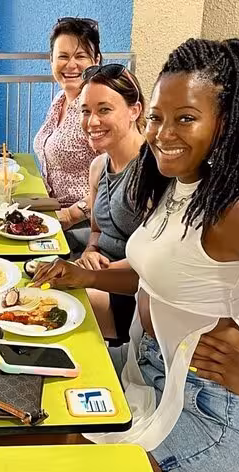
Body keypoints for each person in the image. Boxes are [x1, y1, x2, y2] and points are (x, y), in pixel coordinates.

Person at [33, 38, 239, 472]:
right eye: (159, 118)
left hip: (208, 408)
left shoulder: (236, 210)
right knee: (36, 430)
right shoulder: (179, 183)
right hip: (150, 371)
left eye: (186, 118)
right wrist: (81, 275)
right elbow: (155, 276)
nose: (164, 134)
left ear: (226, 123)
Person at [77, 63, 145, 344]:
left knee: (59, 306)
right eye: (86, 111)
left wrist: (88, 274)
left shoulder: (152, 171)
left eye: (104, 110)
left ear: (134, 110)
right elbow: (95, 231)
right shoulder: (98, 166)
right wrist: (91, 250)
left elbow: (154, 263)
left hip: (134, 292)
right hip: (97, 278)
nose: (92, 122)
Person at [32, 17, 100, 240]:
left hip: (84, 227)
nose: (71, 65)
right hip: (52, 210)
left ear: (96, 60)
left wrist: (71, 214)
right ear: (51, 60)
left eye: (80, 56)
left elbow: (117, 180)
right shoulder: (61, 99)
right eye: (62, 56)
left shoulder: (97, 108)